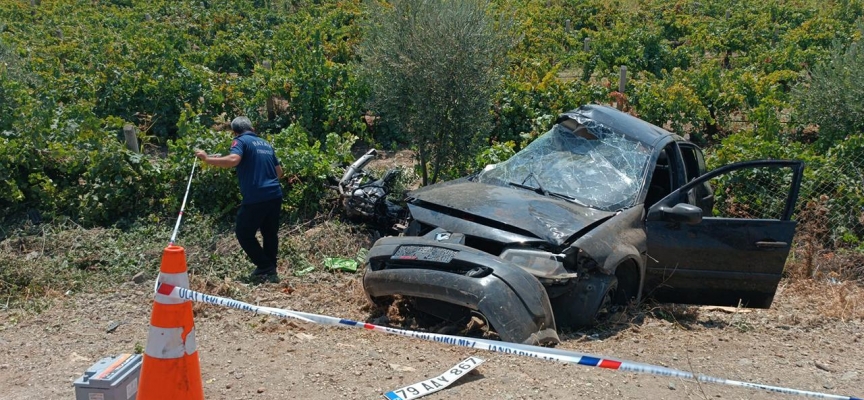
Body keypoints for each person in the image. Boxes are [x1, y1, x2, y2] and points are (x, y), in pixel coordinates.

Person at [195, 116, 284, 281]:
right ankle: (270, 268)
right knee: (270, 233)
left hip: (257, 195)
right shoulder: (266, 144)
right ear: (253, 128)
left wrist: (208, 159)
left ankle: (265, 266)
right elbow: (279, 173)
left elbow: (234, 160)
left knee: (244, 232)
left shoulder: (240, 142)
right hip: (275, 193)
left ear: (235, 132)